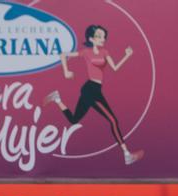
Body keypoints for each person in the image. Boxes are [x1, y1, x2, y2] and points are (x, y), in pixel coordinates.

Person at [43, 24, 143, 165]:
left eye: (103, 36)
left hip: (95, 89)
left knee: (73, 120)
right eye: (99, 36)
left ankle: (57, 98)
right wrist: (66, 71)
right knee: (113, 120)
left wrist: (126, 56)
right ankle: (127, 154)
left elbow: (115, 68)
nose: (102, 39)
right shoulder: (86, 52)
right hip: (90, 90)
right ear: (91, 38)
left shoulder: (105, 52)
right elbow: (63, 54)